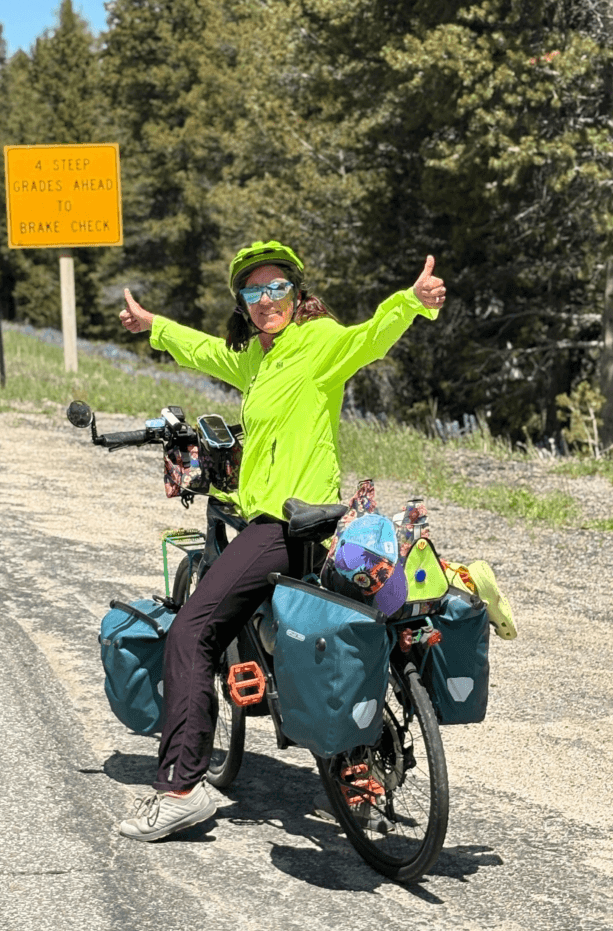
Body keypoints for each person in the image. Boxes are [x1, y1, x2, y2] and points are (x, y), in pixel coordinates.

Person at [116, 240, 446, 841]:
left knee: (193, 630)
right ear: (242, 302)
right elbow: (208, 352)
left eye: (276, 288)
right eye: (253, 290)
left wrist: (411, 302)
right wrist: (153, 327)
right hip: (299, 525)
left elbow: (368, 338)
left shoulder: (317, 344)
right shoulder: (257, 359)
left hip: (287, 524)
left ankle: (180, 787)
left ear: (297, 294)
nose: (265, 300)